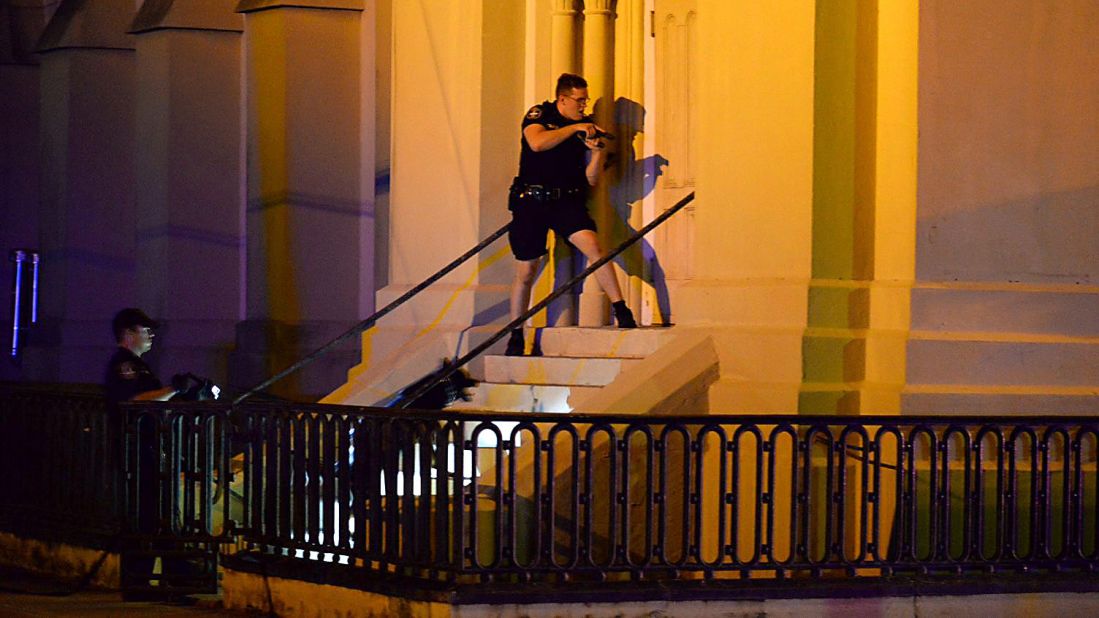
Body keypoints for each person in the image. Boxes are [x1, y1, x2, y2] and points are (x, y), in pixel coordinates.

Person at [505, 73, 637, 356]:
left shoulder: (582, 129)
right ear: (562, 99)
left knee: (595, 247)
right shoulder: (540, 114)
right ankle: (516, 332)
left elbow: (591, 180)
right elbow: (537, 143)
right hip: (532, 200)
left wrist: (597, 152)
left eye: (585, 100)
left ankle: (621, 310)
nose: (583, 105)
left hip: (566, 201)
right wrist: (576, 127)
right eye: (579, 100)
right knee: (526, 270)